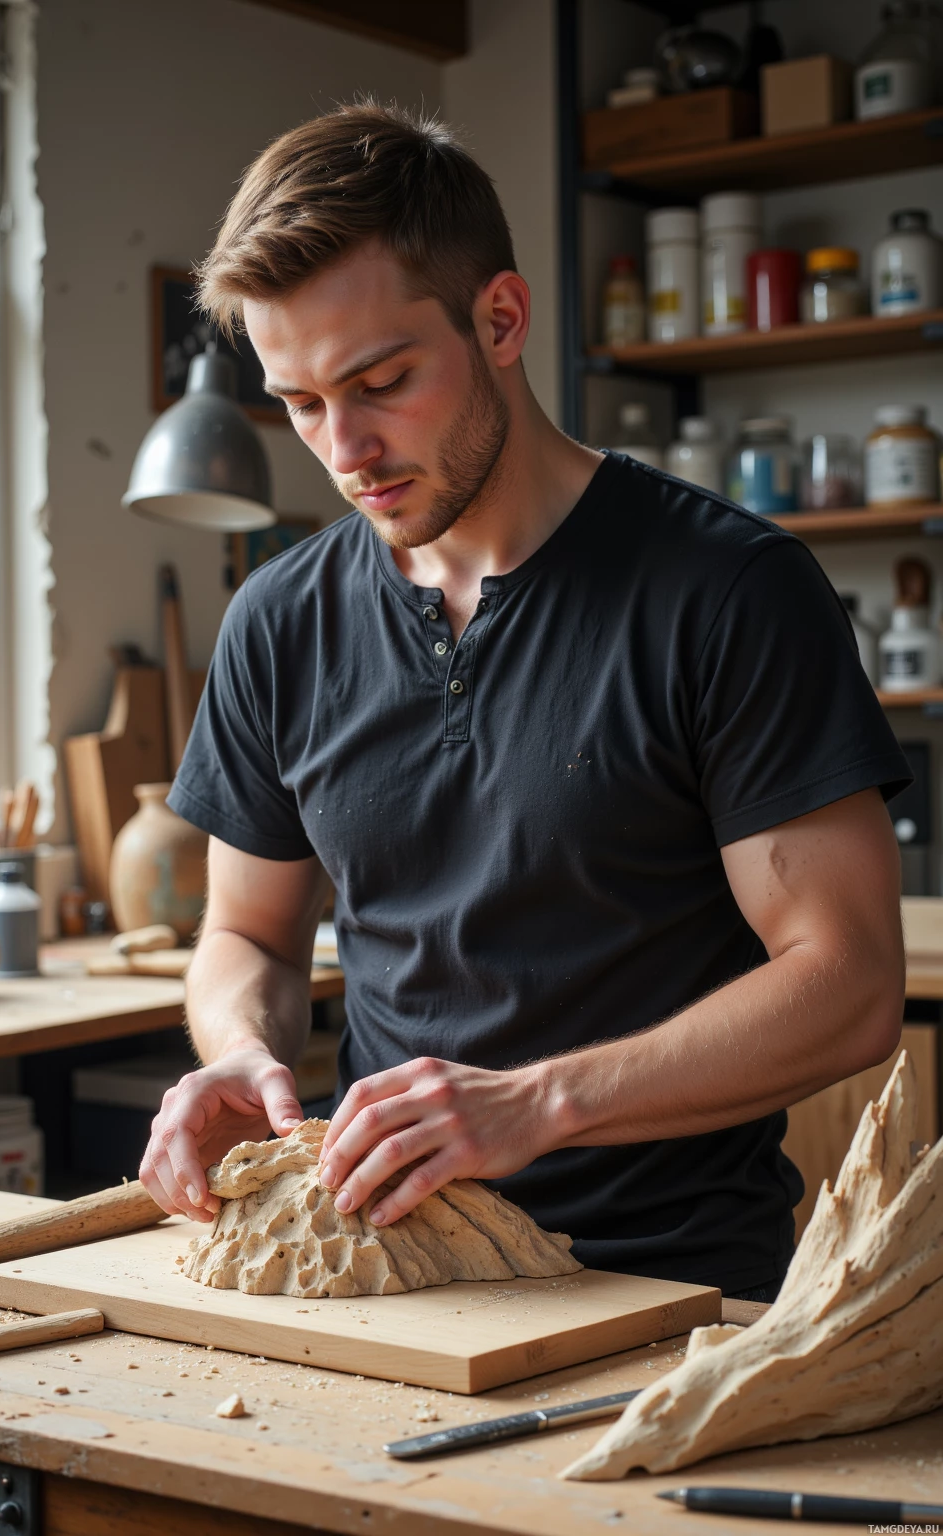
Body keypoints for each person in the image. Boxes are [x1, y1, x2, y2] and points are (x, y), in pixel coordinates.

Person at [139, 102, 909, 1300]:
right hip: (382, 1269)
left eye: (381, 381)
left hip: (663, 1291)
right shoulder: (278, 621)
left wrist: (535, 1106)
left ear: (501, 318)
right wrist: (241, 1053)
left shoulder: (727, 591)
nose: (345, 449)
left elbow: (850, 982)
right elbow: (246, 933)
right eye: (299, 404)